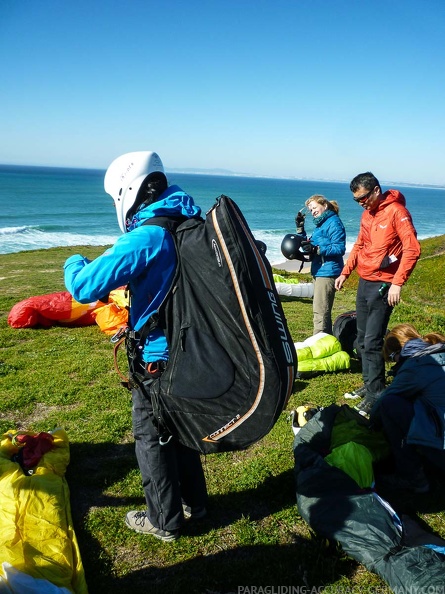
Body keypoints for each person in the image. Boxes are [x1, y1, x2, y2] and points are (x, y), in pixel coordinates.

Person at [64, 151, 208, 541]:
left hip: (157, 356)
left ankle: (164, 521)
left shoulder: (148, 235)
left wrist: (74, 259)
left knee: (152, 435)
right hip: (191, 348)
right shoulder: (190, 219)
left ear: (128, 191)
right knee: (178, 428)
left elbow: (83, 286)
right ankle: (196, 501)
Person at [334, 172, 420, 413]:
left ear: (375, 190)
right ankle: (369, 383)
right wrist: (345, 273)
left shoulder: (397, 212)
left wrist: (397, 283)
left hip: (384, 285)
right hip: (365, 281)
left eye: (363, 198)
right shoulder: (367, 214)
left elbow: (412, 248)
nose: (361, 203)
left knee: (372, 340)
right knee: (362, 339)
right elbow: (360, 245)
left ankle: (377, 393)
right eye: (356, 200)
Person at [370, 323, 445, 493]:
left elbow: (383, 402)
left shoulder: (415, 364)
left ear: (396, 353)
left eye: (391, 360)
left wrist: (369, 424)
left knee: (391, 405)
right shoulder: (437, 350)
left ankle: (413, 478)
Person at [296, 195, 346, 335]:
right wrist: (300, 229)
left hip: (328, 271)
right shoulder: (321, 224)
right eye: (310, 209)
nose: (312, 211)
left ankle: (318, 345)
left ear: (324, 205)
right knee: (322, 312)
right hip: (319, 270)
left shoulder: (333, 222)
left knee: (320, 312)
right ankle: (326, 344)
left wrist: (317, 250)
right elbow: (310, 244)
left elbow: (340, 248)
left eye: (314, 207)